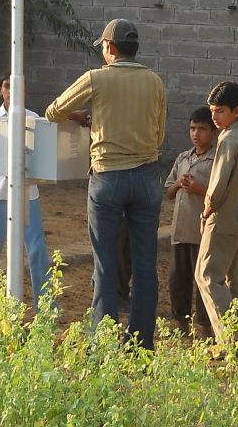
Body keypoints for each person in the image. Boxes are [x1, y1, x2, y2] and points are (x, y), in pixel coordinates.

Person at [45, 18, 166, 350]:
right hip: (147, 177)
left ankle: (103, 344)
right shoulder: (154, 81)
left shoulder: (97, 79)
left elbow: (53, 111)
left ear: (110, 48)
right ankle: (140, 345)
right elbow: (160, 133)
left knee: (105, 263)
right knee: (144, 265)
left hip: (108, 178)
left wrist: (82, 117)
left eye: (102, 47)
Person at [0, 71, 52, 308]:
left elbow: (40, 158)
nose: (11, 91)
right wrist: (2, 167)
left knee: (37, 250)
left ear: (25, 90)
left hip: (27, 195)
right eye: (7, 86)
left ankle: (45, 307)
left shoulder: (33, 119)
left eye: (17, 86)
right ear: (0, 90)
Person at [195, 80, 238, 346]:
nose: (215, 117)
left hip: (223, 219)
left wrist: (206, 213)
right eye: (213, 111)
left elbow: (217, 188)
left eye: (220, 111)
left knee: (207, 277)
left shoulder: (228, 140)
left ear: (236, 112)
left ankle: (232, 342)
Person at [163, 106, 216, 336]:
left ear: (213, 132)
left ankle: (204, 326)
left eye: (202, 129)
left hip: (202, 231)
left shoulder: (216, 160)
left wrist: (197, 188)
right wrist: (178, 184)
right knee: (178, 279)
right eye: (193, 129)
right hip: (180, 229)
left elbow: (220, 195)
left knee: (202, 280)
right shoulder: (183, 158)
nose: (196, 134)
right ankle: (180, 323)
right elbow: (168, 192)